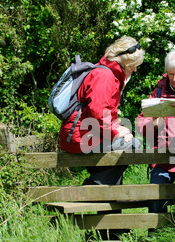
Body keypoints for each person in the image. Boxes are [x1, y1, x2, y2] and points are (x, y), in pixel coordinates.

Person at [60, 36, 144, 185]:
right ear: (126, 62)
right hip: (80, 137)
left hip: (88, 134)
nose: (136, 69)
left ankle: (108, 197)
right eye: (134, 65)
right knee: (132, 145)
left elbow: (107, 113)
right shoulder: (104, 76)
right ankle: (94, 185)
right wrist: (116, 133)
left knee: (115, 166)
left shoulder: (110, 75)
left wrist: (118, 127)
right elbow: (98, 114)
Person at [136, 50, 175, 212]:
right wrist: (154, 124)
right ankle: (155, 235)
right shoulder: (159, 91)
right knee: (156, 198)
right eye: (171, 74)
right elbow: (141, 124)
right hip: (163, 158)